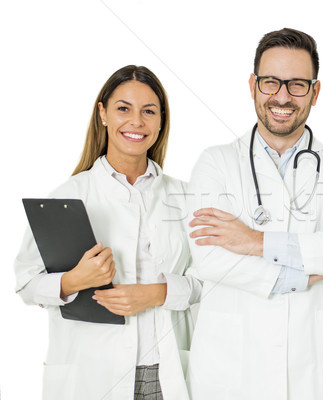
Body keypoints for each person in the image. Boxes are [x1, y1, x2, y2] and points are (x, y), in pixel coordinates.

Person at [185, 28, 323, 400]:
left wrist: (254, 241)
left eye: (297, 85)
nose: (283, 97)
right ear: (253, 85)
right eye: (271, 82)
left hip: (321, 366)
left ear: (315, 92)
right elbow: (208, 259)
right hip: (234, 365)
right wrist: (308, 267)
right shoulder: (216, 162)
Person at [14, 65, 200, 400]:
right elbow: (26, 283)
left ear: (161, 120)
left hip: (167, 375)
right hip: (92, 376)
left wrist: (158, 293)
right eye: (123, 109)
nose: (136, 122)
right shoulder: (68, 195)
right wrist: (73, 281)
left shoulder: (188, 198)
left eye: (148, 111)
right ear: (103, 114)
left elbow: (215, 282)